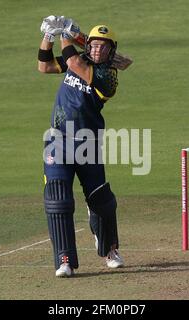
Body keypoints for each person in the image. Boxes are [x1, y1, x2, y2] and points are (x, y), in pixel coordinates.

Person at [37, 16, 124, 277]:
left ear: (112, 51)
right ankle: (64, 260)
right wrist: (49, 37)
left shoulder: (107, 76)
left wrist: (65, 32)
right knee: (58, 198)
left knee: (101, 201)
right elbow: (44, 66)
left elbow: (73, 61)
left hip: (87, 142)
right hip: (57, 140)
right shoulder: (82, 59)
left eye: (103, 46)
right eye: (94, 45)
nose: (98, 49)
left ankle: (110, 249)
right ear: (88, 46)